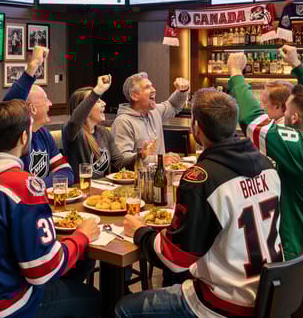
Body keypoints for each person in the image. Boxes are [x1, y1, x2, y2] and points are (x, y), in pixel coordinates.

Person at [116, 88, 282, 318]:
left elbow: (175, 258)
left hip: (223, 302)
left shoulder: (202, 178)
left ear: (196, 128)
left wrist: (139, 231)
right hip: (269, 293)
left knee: (122, 308)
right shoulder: (268, 166)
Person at [0, 100, 102, 317]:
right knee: (97, 299)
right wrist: (81, 236)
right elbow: (43, 269)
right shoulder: (23, 186)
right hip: (2, 307)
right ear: (24, 137)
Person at [227, 46, 303, 285]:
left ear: (294, 118)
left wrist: (235, 73)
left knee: (238, 266)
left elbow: (253, 122)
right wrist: (297, 64)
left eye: (288, 109)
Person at [3, 46, 75, 186]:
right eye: (46, 100)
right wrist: (34, 64)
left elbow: (66, 173)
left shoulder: (43, 133)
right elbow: (8, 105)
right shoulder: (11, 135)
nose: (50, 104)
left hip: (41, 196)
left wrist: (38, 185)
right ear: (32, 108)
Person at [111, 72, 189, 170]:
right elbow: (122, 160)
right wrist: (158, 160)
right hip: (137, 178)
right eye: (147, 87)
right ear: (134, 96)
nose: (154, 90)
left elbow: (173, 105)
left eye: (152, 86)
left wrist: (182, 91)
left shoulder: (154, 112)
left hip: (159, 176)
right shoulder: (123, 122)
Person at [64, 75, 118, 178]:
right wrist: (97, 91)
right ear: (85, 109)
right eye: (97, 101)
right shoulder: (72, 132)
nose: (104, 103)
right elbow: (74, 121)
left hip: (104, 186)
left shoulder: (104, 132)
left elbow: (120, 162)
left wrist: (141, 155)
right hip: (80, 187)